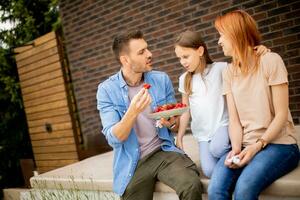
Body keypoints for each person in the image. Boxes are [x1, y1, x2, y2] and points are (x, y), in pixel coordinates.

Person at [96, 30, 202, 200]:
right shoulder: (106, 90)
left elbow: (172, 125)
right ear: (125, 60)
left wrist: (171, 123)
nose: (150, 54)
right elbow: (113, 138)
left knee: (191, 185)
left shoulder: (161, 80)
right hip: (134, 161)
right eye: (141, 52)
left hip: (163, 150)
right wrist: (132, 112)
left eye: (147, 49)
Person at [208, 10, 300, 200]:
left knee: (244, 189)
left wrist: (256, 147)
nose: (219, 41)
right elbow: (234, 120)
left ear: (236, 34)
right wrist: (235, 149)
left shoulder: (271, 61)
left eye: (221, 35)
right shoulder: (229, 72)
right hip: (244, 144)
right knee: (215, 190)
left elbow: (281, 115)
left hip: (279, 144)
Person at [174, 30, 268, 178]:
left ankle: (239, 153)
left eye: (186, 56)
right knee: (210, 171)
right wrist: (179, 136)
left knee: (217, 149)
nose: (182, 62)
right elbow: (185, 110)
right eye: (179, 58)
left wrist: (258, 52)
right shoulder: (184, 79)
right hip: (203, 134)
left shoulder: (220, 68)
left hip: (222, 124)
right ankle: (232, 162)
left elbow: (243, 64)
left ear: (200, 51)